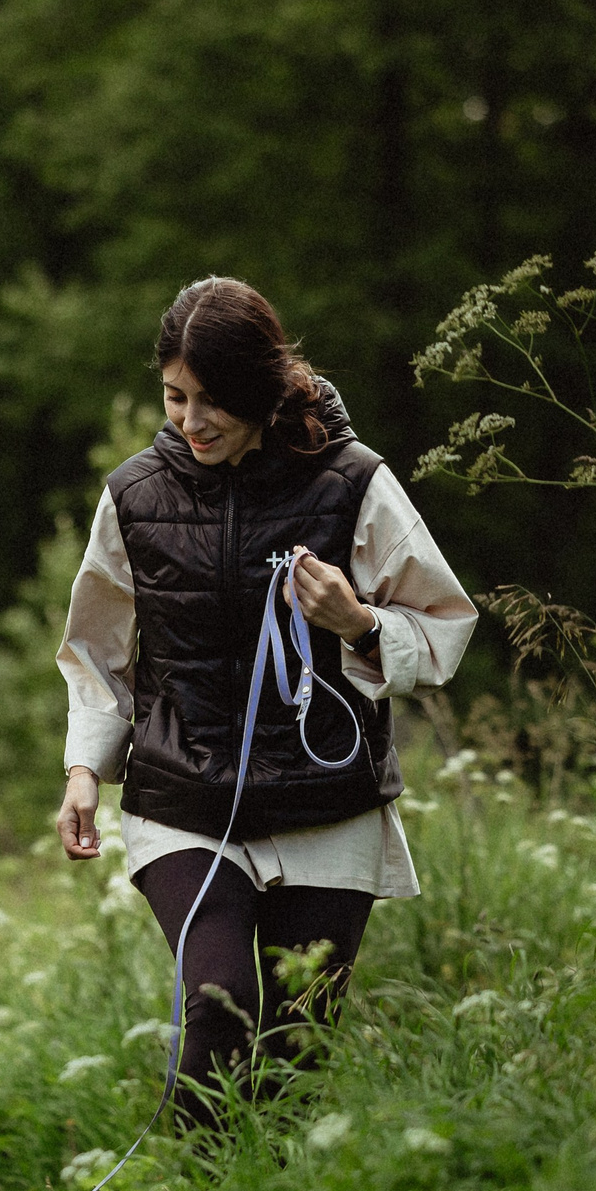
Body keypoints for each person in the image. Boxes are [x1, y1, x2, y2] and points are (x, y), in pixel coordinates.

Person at [54, 277, 476, 1127]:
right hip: (185, 798)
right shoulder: (135, 496)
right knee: (217, 1006)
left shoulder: (354, 483)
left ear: (261, 388)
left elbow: (445, 626)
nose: (191, 420)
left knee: (297, 1051)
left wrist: (357, 625)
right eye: (175, 397)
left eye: (213, 400)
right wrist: (83, 769)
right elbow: (96, 649)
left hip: (326, 806)